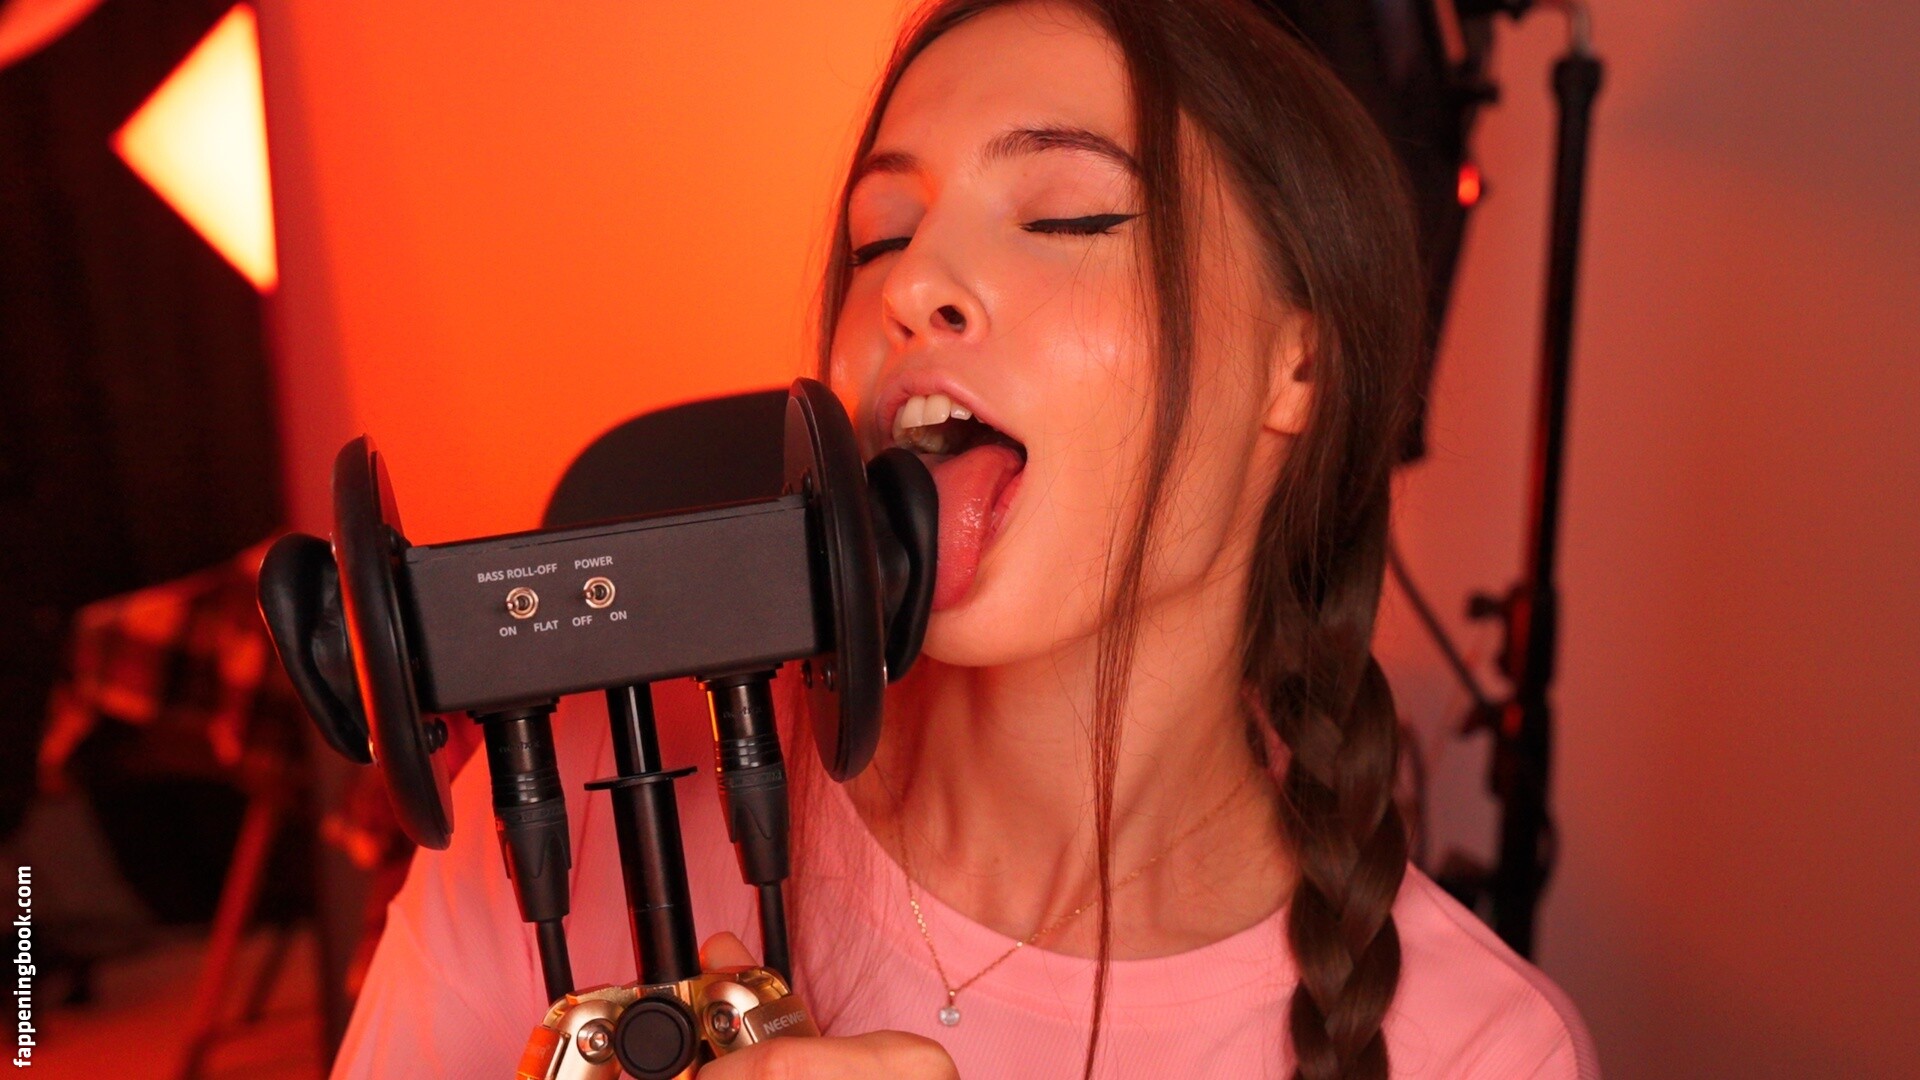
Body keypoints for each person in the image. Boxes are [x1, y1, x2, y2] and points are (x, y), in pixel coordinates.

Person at [334, 1, 1599, 1076]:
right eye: (881, 236)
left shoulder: (1484, 1049)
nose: (907, 283)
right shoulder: (568, 807)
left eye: (1067, 218)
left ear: (1300, 365)